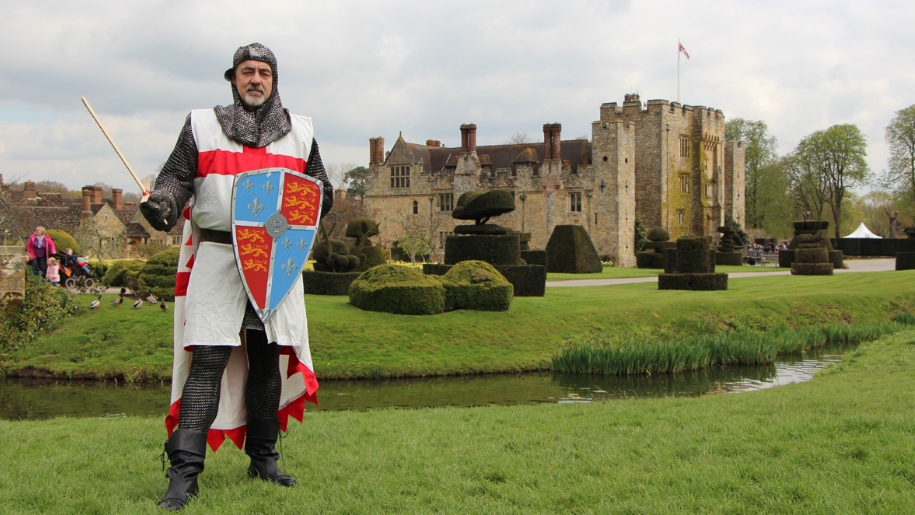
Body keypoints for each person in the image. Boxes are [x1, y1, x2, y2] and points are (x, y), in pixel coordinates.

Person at [140, 43, 332, 511]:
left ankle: (263, 458)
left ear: (275, 80)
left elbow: (320, 190)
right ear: (233, 78)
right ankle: (184, 474)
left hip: (276, 262)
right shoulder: (202, 125)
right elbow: (174, 180)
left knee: (268, 359)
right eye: (247, 71)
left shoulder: (301, 132)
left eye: (264, 72)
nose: (256, 80)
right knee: (208, 360)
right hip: (221, 257)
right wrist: (162, 203)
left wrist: (318, 201)